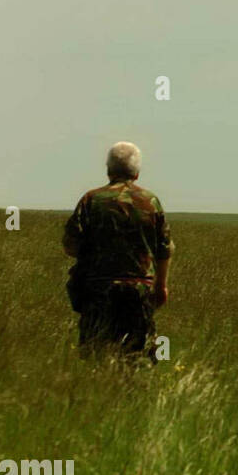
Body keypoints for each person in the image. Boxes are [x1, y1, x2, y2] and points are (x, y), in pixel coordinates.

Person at [63, 142, 173, 364]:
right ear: (137, 173)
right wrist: (160, 285)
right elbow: (164, 248)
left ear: (108, 169)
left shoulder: (91, 200)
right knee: (137, 356)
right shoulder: (151, 202)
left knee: (95, 355)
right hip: (139, 290)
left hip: (98, 290)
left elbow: (70, 245)